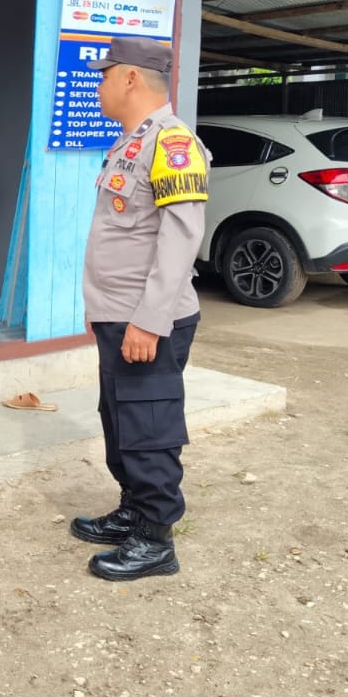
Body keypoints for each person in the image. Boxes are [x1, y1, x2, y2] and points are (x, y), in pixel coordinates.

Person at [71, 36, 211, 581]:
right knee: (121, 419)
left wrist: (149, 322)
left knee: (149, 427)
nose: (99, 85)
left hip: (148, 320)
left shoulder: (173, 143)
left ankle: (155, 540)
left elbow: (180, 239)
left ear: (131, 77)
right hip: (120, 314)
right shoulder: (131, 143)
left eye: (105, 75)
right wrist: (102, 308)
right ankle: (132, 510)